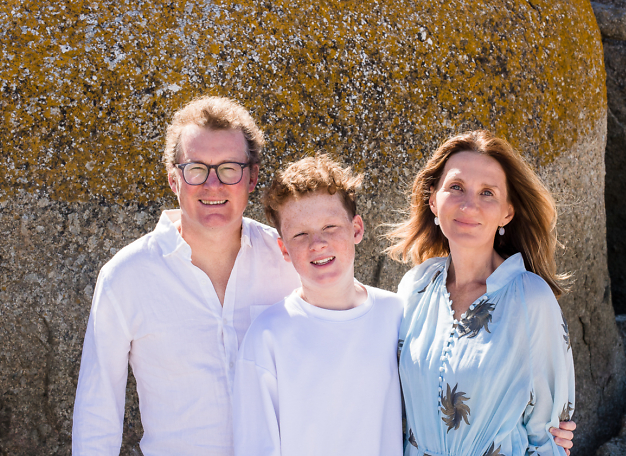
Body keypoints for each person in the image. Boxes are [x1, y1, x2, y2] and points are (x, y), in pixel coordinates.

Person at [72, 96, 300, 455]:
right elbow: (97, 413)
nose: (213, 184)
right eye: (196, 169)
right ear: (173, 179)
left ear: (252, 177)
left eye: (229, 168)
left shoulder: (291, 260)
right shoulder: (126, 277)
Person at [387, 130, 576, 456]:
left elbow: (548, 435)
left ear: (507, 212)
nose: (469, 205)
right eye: (456, 187)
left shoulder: (531, 299)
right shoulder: (415, 287)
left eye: (487, 193)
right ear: (433, 200)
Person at [232, 154, 404, 456]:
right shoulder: (268, 335)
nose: (318, 243)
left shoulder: (397, 315)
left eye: (330, 227)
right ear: (284, 249)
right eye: (300, 234)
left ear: (356, 229)